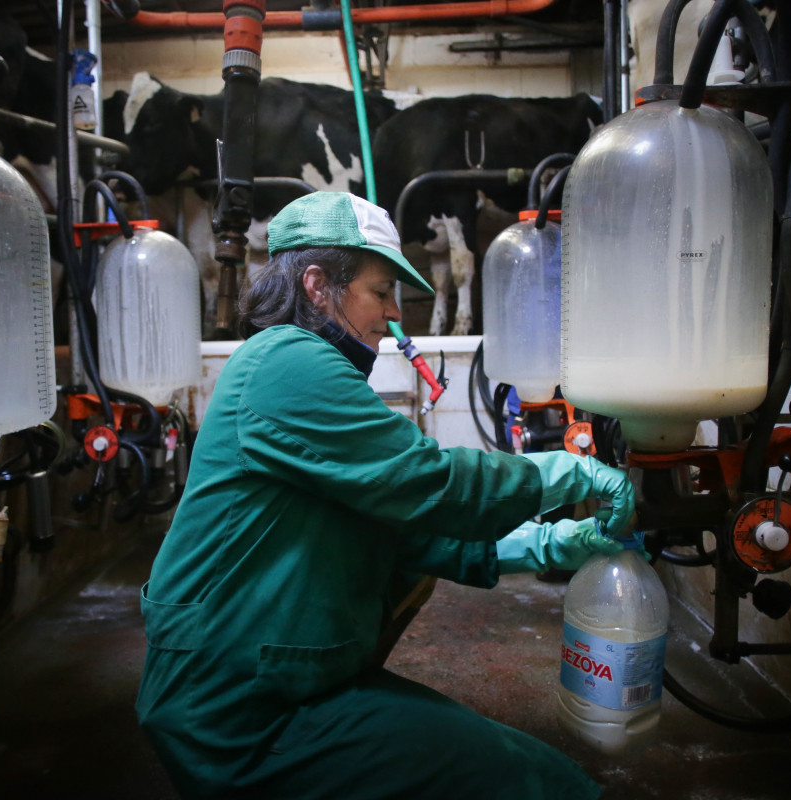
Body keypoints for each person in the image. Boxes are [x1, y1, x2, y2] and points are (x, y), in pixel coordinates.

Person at [136, 191, 635, 799]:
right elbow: (428, 483)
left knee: (511, 765)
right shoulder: (287, 363)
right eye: (380, 292)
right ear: (318, 285)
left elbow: (394, 524)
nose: (394, 313)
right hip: (235, 707)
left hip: (279, 679)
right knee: (539, 784)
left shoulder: (294, 364)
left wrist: (545, 544)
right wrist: (563, 474)